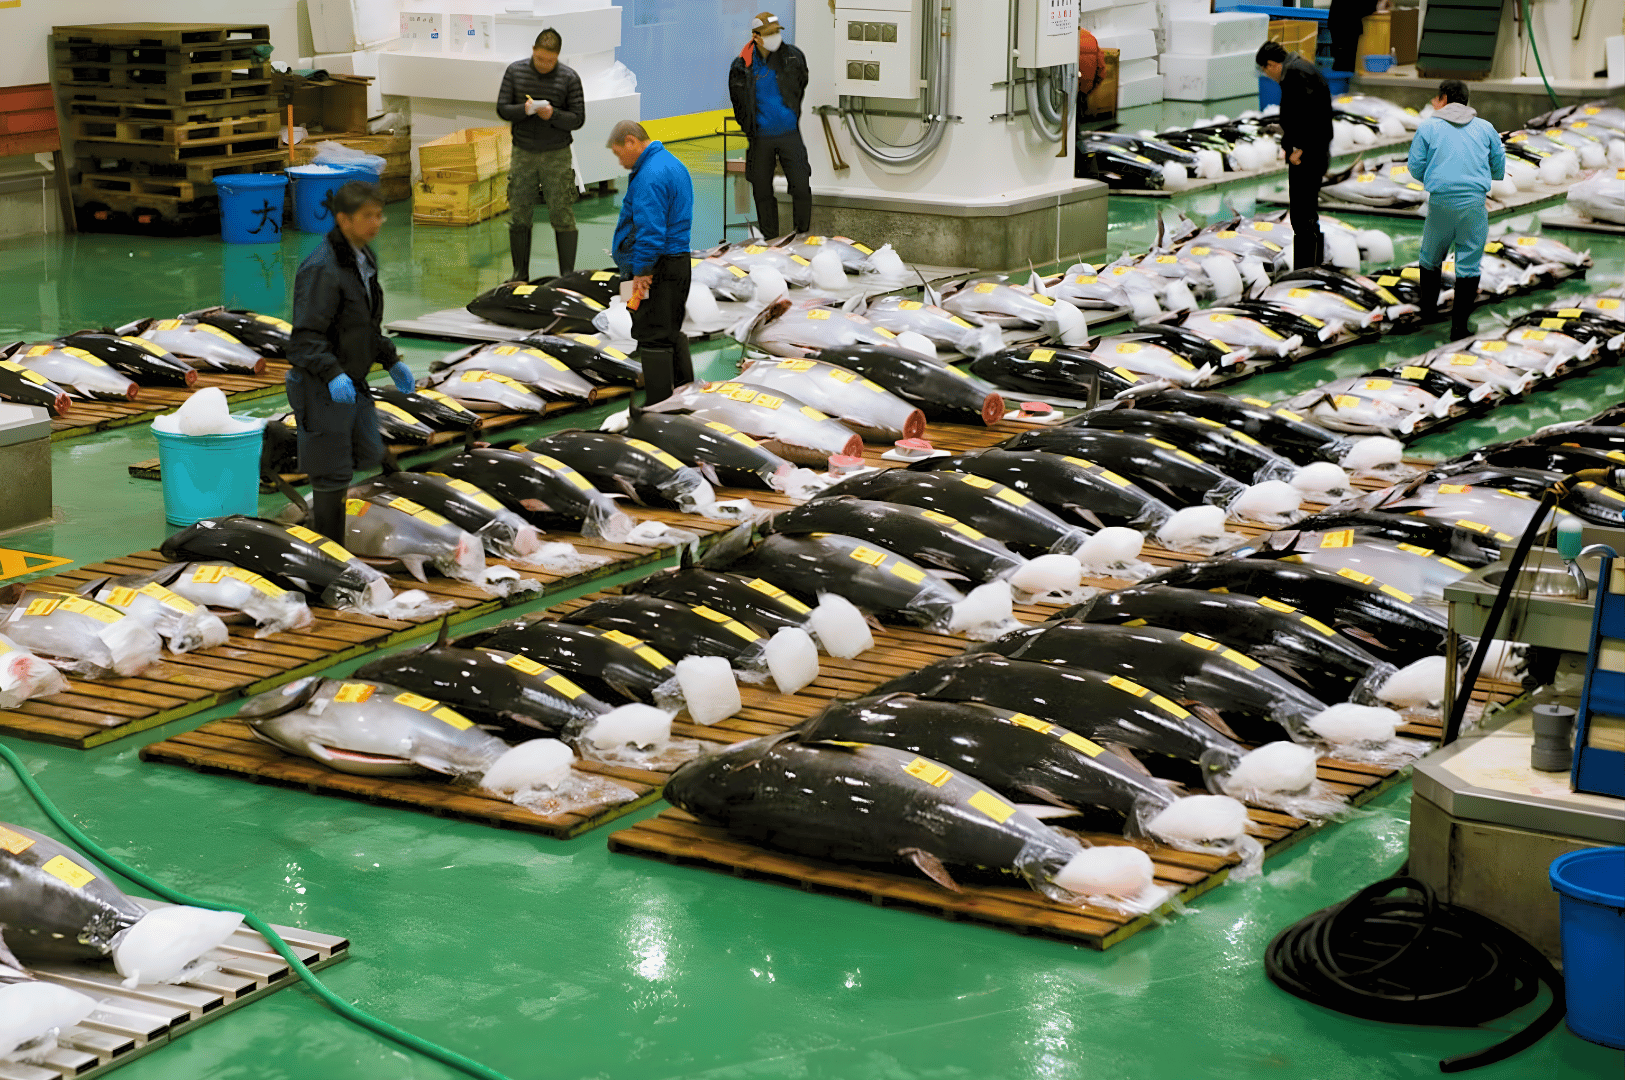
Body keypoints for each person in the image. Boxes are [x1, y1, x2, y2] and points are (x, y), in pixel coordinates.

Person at [286, 181, 413, 542]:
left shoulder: (363, 257)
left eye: (379, 214)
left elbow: (365, 323)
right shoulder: (322, 269)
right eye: (368, 216)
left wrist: (389, 358)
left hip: (351, 380)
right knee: (331, 473)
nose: (378, 222)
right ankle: (329, 554)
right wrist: (332, 374)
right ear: (344, 220)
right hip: (320, 385)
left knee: (371, 449)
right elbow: (305, 339)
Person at [1408, 80, 1505, 339]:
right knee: (1469, 264)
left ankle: (1428, 313)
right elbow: (1498, 165)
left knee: (1430, 257)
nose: (1432, 103)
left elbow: (1415, 165)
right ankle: (1459, 327)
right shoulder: (1486, 128)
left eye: (1436, 98)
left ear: (1444, 99)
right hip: (1474, 203)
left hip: (1440, 201)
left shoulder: (1428, 126)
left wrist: (1435, 178)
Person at [608, 121, 694, 406]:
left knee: (652, 336)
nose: (620, 162)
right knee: (669, 331)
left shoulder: (650, 175)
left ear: (632, 141)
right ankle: (686, 394)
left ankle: (658, 408)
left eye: (620, 153)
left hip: (654, 268)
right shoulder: (670, 162)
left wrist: (642, 272)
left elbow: (650, 231)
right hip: (674, 263)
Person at [496, 28, 585, 282]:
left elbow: (578, 119)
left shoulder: (569, 78)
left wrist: (553, 115)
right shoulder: (515, 72)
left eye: (550, 60)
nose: (544, 65)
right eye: (540, 59)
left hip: (557, 154)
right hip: (523, 152)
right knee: (519, 212)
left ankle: (567, 275)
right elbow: (502, 109)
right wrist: (523, 110)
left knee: (562, 212)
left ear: (557, 57)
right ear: (533, 52)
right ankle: (519, 273)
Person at [726, 11, 811, 238]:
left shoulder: (793, 57)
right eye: (769, 33)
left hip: (790, 134)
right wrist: (750, 128)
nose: (775, 36)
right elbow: (738, 102)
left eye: (776, 32)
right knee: (762, 190)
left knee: (801, 186)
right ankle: (771, 238)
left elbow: (802, 83)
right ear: (756, 36)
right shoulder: (742, 65)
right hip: (760, 138)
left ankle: (801, 234)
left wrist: (789, 114)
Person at [1258, 40, 1333, 269]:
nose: (1266, 75)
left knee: (1301, 217)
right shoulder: (1300, 67)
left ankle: (1305, 272)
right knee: (1308, 215)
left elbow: (1308, 115)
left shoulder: (1295, 74)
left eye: (1264, 69)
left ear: (1272, 65)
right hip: (1316, 150)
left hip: (1308, 154)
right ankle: (1314, 266)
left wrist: (1299, 147)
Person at [1328, 0, 1388, 73]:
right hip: (1345, 24)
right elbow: (1363, 7)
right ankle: (1342, 80)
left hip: (1343, 22)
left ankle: (1342, 78)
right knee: (1345, 61)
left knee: (1343, 60)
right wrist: (1378, 5)